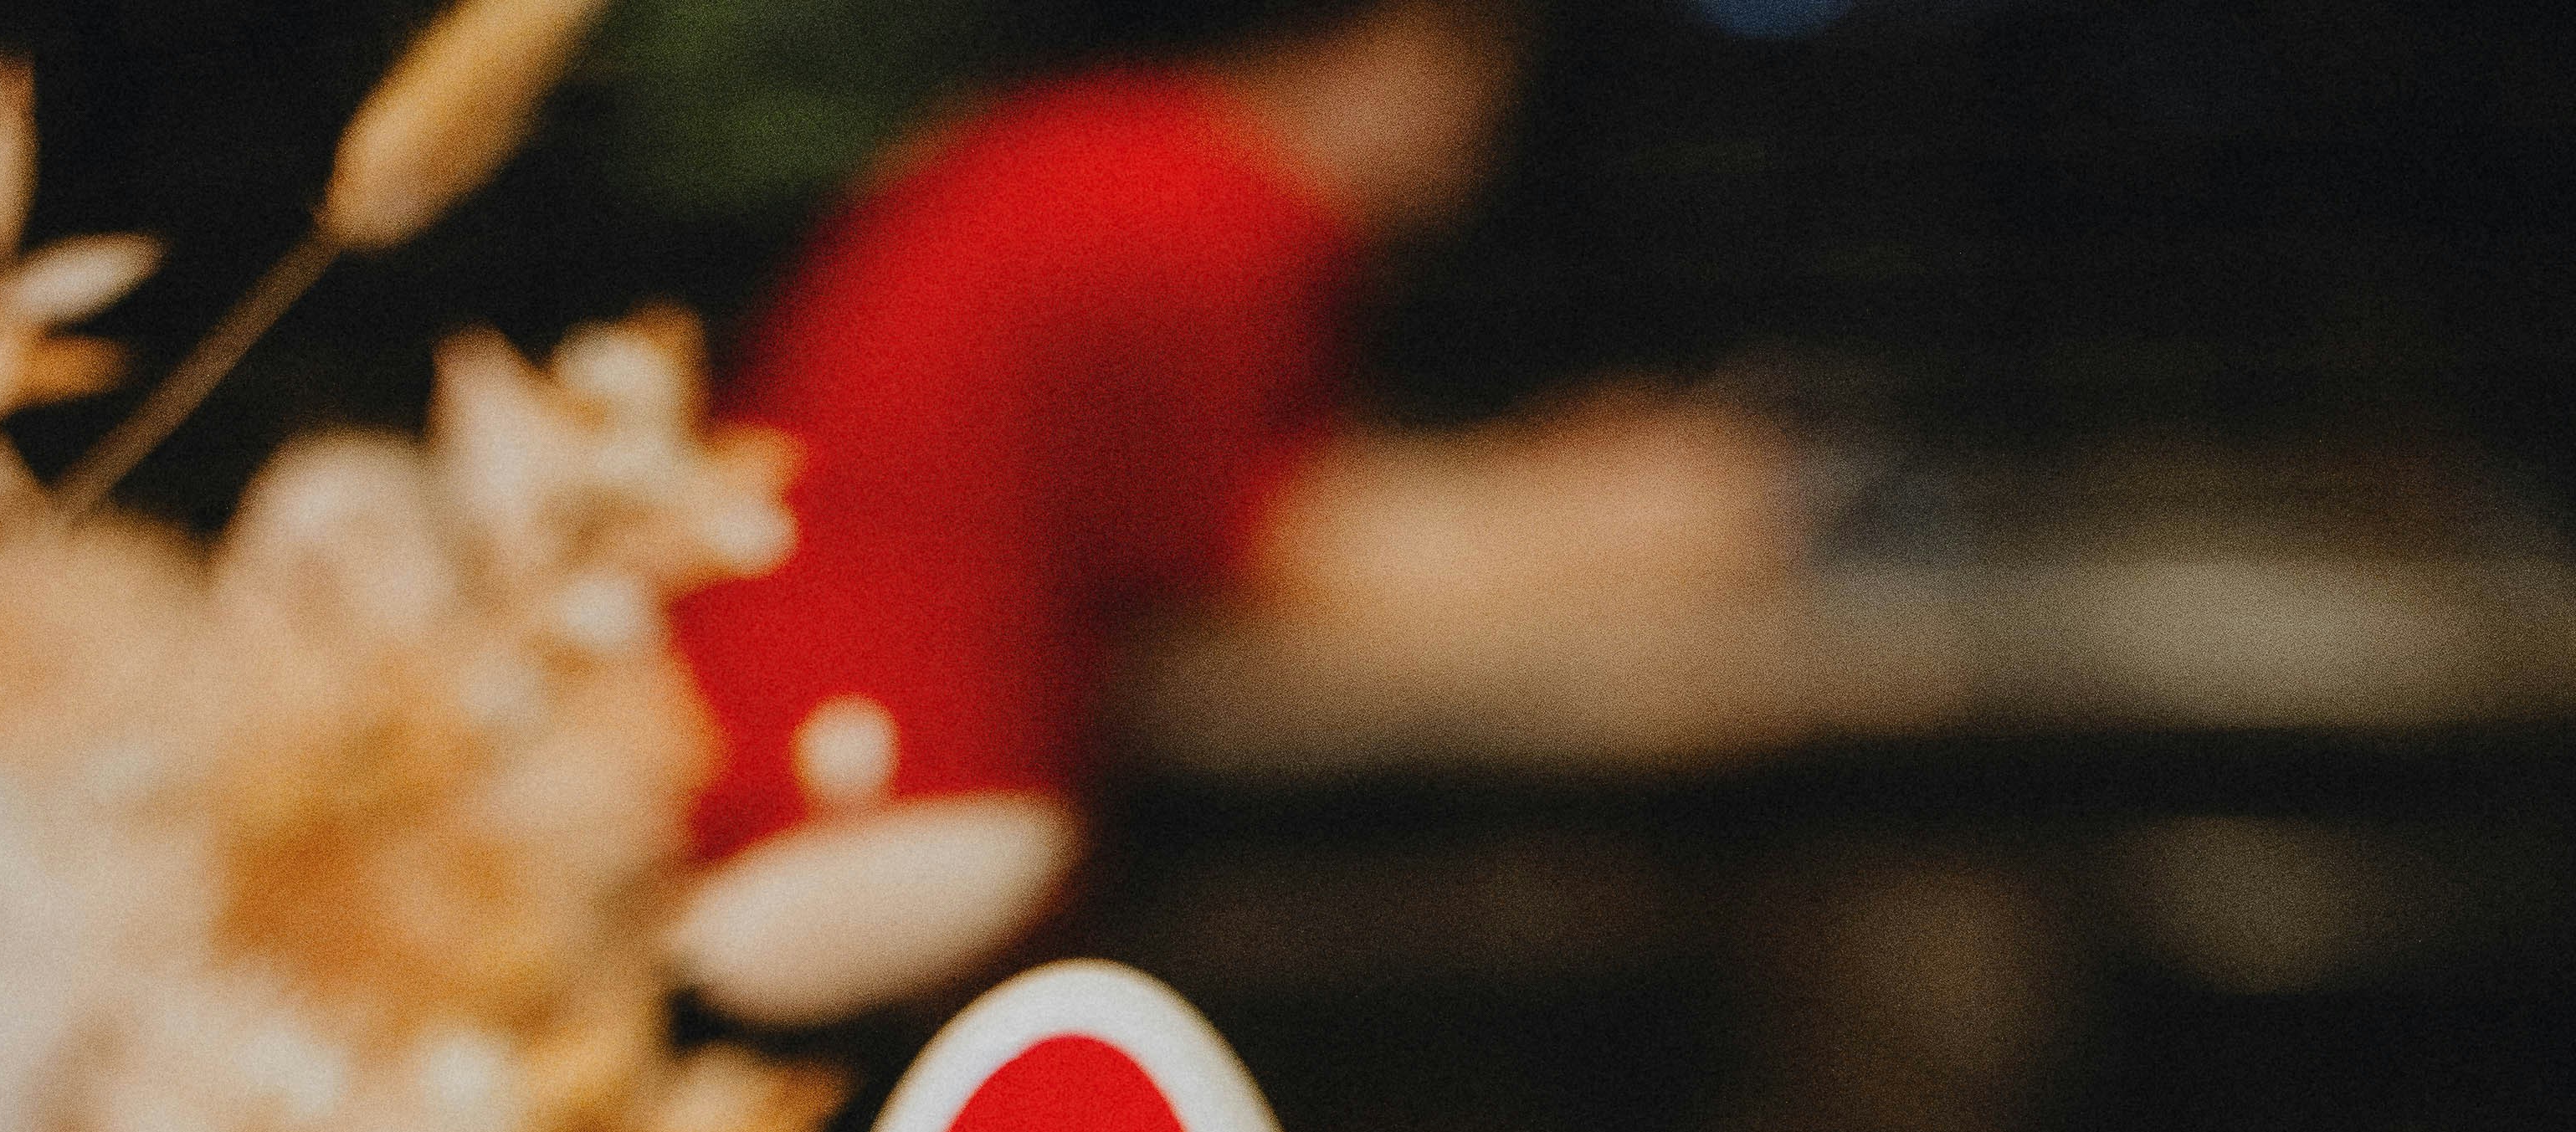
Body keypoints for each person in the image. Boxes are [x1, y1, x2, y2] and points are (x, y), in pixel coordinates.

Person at [664, 0, 1799, 1027]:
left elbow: (1235, 497)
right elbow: (1296, 552)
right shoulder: (1217, 201)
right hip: (855, 802)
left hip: (774, 749)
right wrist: (1610, 517)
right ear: (1397, 49)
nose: (1485, 132)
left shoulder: (1102, 151)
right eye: (1475, 69)